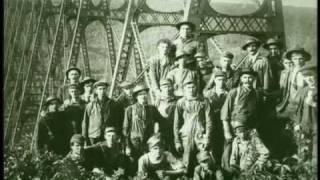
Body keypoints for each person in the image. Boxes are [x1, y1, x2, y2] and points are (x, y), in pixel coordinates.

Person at [173, 78, 212, 177]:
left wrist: (207, 137)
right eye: (188, 87)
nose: (190, 89)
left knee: (205, 158)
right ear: (184, 89)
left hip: (201, 134)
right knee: (187, 161)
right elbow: (176, 123)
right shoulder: (181, 102)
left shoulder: (204, 101)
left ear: (196, 88)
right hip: (186, 134)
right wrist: (177, 141)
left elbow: (209, 121)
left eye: (192, 87)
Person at [123, 84, 162, 172]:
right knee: (134, 166)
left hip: (149, 143)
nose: (143, 96)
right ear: (136, 97)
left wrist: (158, 134)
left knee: (148, 165)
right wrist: (127, 146)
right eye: (140, 94)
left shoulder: (152, 109)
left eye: (145, 94)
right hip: (135, 144)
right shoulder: (130, 110)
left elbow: (162, 122)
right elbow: (125, 130)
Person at [220, 68, 263, 143]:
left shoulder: (257, 93)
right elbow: (225, 114)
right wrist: (227, 132)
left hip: (252, 128)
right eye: (245, 77)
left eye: (250, 77)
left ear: (253, 78)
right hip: (236, 128)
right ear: (241, 79)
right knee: (230, 151)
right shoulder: (234, 92)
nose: (247, 80)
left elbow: (259, 112)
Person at [290, 64, 317, 161]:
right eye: (305, 77)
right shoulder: (303, 91)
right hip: (304, 127)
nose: (309, 79)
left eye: (311, 76)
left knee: (315, 156)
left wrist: (313, 103)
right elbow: (298, 109)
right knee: (303, 154)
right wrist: (297, 123)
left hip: (316, 128)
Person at [82, 80, 118, 146]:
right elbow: (85, 122)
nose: (102, 91)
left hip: (108, 135)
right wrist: (84, 139)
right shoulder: (90, 105)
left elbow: (117, 121)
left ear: (107, 90)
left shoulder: (113, 104)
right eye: (100, 89)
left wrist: (117, 135)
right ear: (96, 90)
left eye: (104, 89)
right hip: (94, 135)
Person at [203, 71, 228, 164]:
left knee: (224, 146)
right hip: (212, 123)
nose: (221, 82)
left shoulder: (229, 94)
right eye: (218, 80)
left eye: (223, 80)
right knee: (212, 146)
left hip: (224, 124)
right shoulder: (207, 94)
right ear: (214, 80)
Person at [154, 79, 178, 153]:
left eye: (168, 86)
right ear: (161, 88)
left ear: (172, 87)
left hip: (174, 128)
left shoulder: (177, 100)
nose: (167, 89)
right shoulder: (158, 101)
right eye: (164, 87)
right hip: (162, 128)